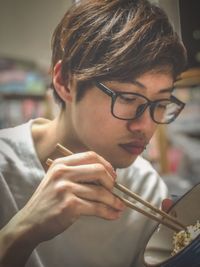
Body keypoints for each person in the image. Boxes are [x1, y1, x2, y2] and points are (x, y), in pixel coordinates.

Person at [0, 0, 187, 266]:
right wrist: (19, 233)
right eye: (126, 98)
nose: (144, 126)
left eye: (160, 103)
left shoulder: (146, 186)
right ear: (65, 81)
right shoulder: (4, 169)